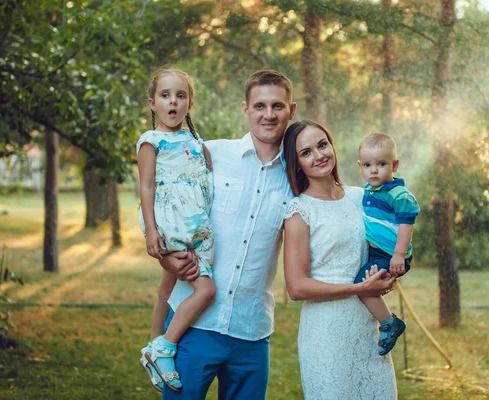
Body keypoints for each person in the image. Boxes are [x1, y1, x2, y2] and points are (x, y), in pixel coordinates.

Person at [157, 70, 301, 400]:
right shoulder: (210, 154)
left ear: (291, 111)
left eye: (277, 106)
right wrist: (164, 254)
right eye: (260, 105)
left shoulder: (297, 178)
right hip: (194, 324)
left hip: (251, 332)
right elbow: (159, 198)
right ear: (245, 109)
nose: (268, 114)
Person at [282, 120, 399, 400]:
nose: (319, 155)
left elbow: (382, 245)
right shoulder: (300, 210)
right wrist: (360, 289)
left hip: (370, 330)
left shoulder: (362, 197)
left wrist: (387, 274)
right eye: (306, 152)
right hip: (326, 334)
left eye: (322, 145)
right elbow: (297, 288)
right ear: (297, 164)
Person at [137, 67, 216, 393]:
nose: (173, 102)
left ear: (189, 103)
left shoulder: (196, 141)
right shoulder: (150, 141)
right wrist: (151, 232)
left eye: (180, 96)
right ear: (152, 103)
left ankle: (153, 346)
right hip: (171, 225)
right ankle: (164, 347)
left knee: (166, 290)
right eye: (166, 96)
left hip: (197, 226)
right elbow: (146, 188)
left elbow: (206, 176)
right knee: (206, 290)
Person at [354, 132, 420, 356]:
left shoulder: (399, 194)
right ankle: (387, 321)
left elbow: (406, 225)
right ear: (360, 166)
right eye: (368, 165)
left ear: (395, 165)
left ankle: (390, 323)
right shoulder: (368, 191)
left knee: (362, 286)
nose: (374, 170)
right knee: (365, 284)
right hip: (376, 254)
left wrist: (399, 255)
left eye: (381, 164)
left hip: (391, 255)